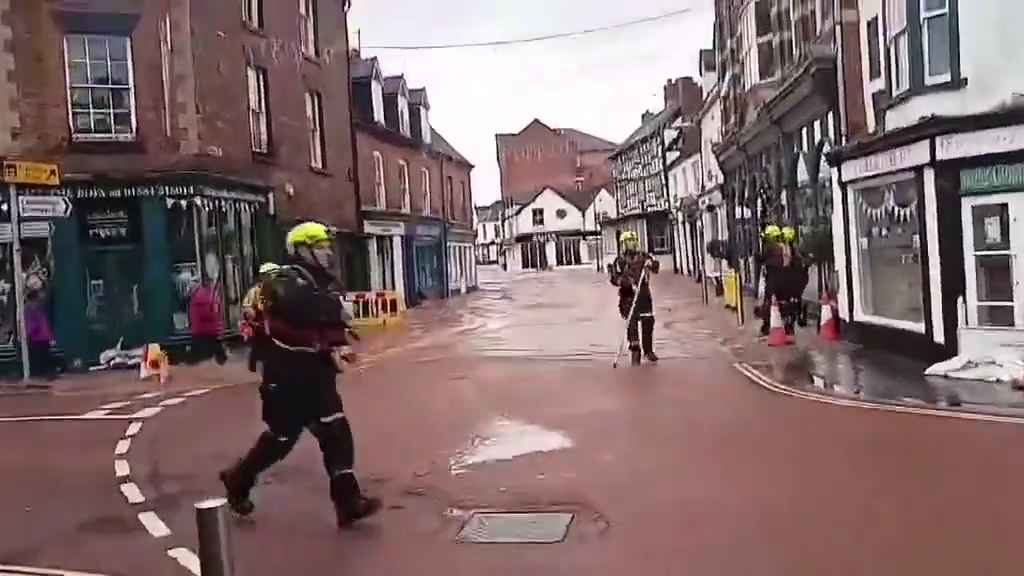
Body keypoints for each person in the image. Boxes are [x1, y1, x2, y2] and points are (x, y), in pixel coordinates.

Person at [220, 221, 381, 529]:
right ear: (303, 249)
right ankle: (237, 479)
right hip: (286, 376)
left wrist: (337, 341)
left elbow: (329, 318)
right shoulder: (286, 279)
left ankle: (348, 503)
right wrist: (334, 312)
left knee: (336, 433)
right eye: (320, 247)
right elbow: (304, 309)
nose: (327, 253)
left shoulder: (320, 282)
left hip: (316, 375)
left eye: (327, 247)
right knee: (280, 439)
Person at [609, 230, 660, 366]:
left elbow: (655, 267)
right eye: (628, 242)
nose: (631, 244)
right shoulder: (619, 261)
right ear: (623, 244)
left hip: (643, 295)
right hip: (628, 297)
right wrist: (627, 283)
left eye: (633, 241)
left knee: (648, 321)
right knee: (631, 324)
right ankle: (635, 350)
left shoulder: (643, 257)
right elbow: (615, 278)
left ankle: (648, 350)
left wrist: (652, 264)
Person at [241, 263, 280, 373]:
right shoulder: (256, 291)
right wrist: (252, 318)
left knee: (269, 347)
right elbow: (248, 308)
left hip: (271, 323)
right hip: (260, 323)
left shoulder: (276, 290)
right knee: (260, 346)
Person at [189, 278, 227, 365]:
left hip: (201, 330)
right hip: (208, 331)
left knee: (201, 356)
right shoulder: (207, 295)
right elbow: (211, 313)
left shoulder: (199, 294)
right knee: (211, 354)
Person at [25, 288, 56, 380]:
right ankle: (40, 375)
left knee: (44, 357)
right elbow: (31, 324)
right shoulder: (31, 308)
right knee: (39, 358)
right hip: (36, 338)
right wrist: (29, 333)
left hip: (41, 338)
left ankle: (44, 374)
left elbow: (43, 324)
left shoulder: (38, 308)